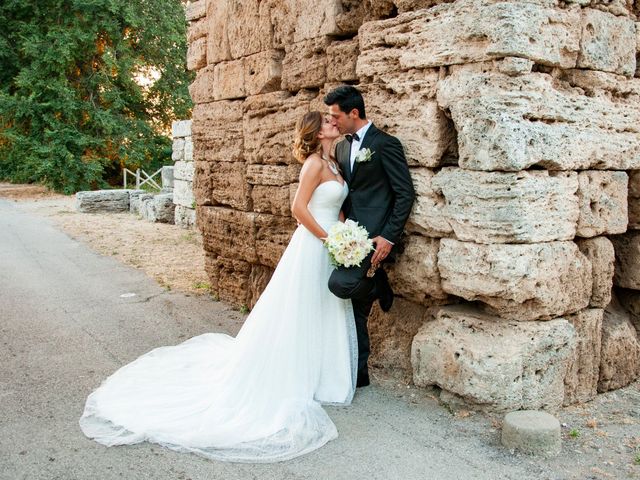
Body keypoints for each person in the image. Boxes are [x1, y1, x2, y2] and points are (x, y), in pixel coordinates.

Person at [79, 111, 358, 463]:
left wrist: (347, 235)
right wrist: (328, 237)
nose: (334, 123)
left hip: (332, 245)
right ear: (317, 134)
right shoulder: (314, 166)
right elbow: (298, 209)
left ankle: (325, 376)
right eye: (328, 122)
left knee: (325, 306)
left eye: (334, 121)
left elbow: (336, 206)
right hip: (313, 245)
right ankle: (295, 374)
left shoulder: (335, 162)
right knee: (301, 308)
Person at [324, 85, 415, 388]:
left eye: (336, 116)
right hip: (348, 239)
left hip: (375, 239)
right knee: (355, 310)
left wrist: (388, 237)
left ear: (354, 113)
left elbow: (404, 194)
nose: (332, 122)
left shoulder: (385, 144)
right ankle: (358, 375)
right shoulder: (340, 147)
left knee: (341, 284)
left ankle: (376, 282)